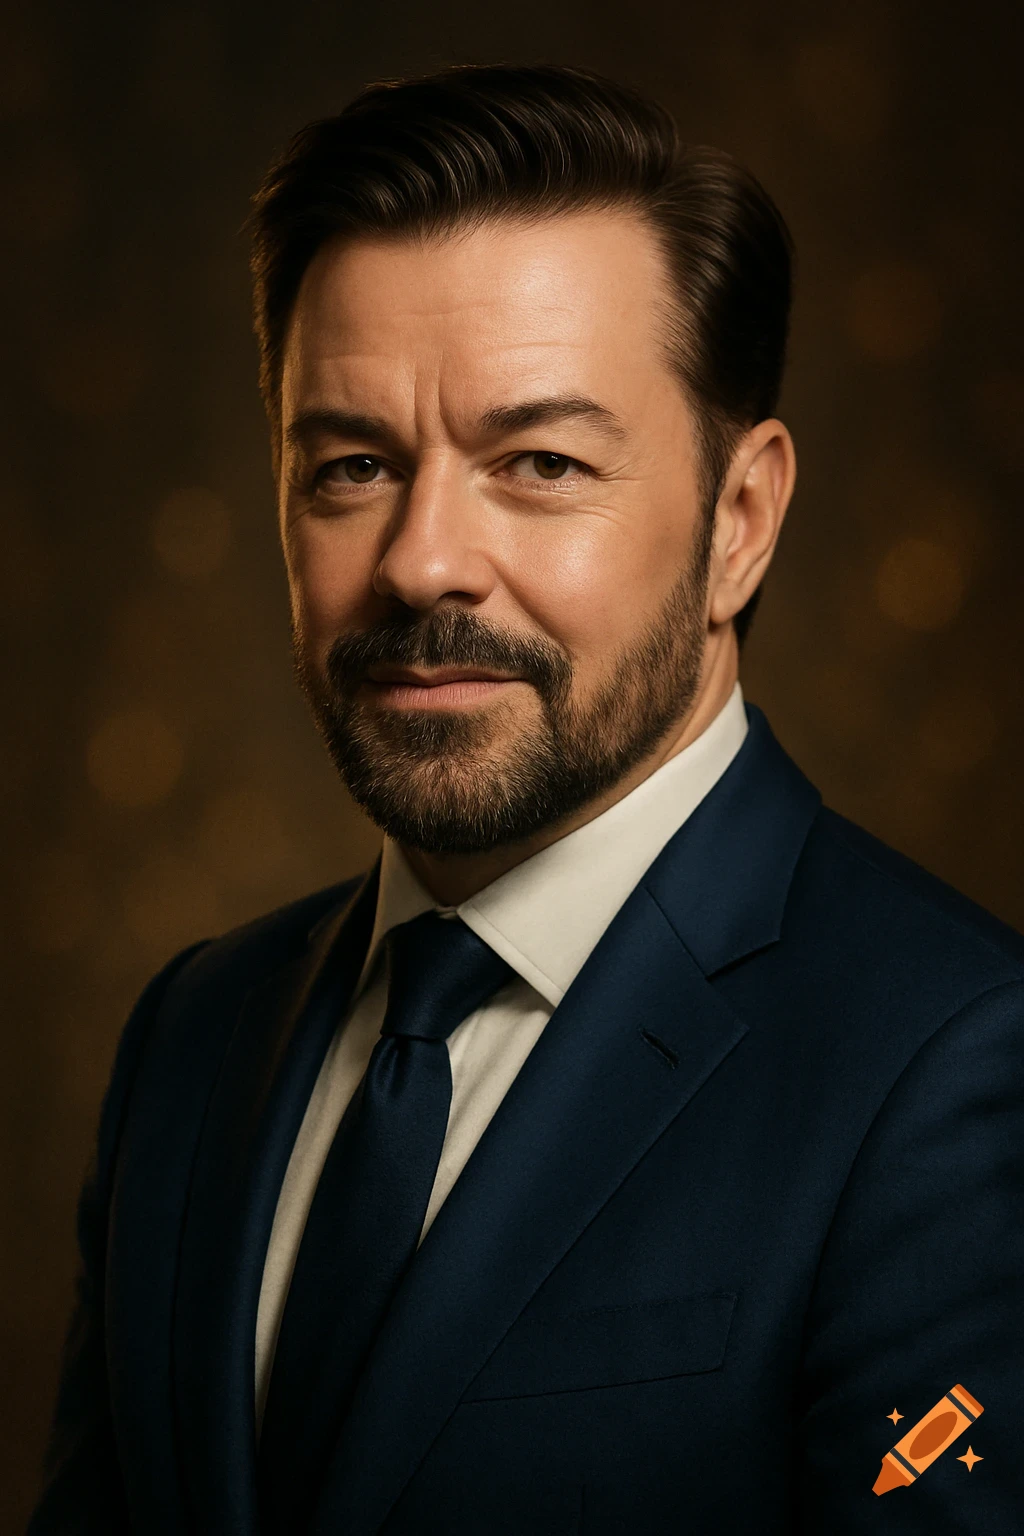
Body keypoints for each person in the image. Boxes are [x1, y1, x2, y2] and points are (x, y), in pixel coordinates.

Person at [29, 63, 1023, 1536]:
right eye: (352, 467)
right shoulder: (192, 1036)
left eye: (540, 463)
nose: (423, 561)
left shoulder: (954, 1066)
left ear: (739, 523)